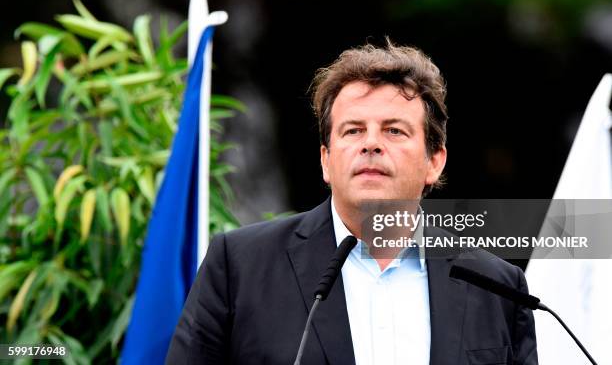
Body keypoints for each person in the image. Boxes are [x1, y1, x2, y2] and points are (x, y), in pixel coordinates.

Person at [166, 40, 538, 364]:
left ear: (434, 161)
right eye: (353, 130)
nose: (371, 143)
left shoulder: (496, 286)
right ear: (326, 160)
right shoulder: (240, 267)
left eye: (394, 130)